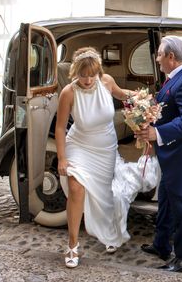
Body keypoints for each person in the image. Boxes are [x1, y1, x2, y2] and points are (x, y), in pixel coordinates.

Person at [134, 36, 182, 273]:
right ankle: (161, 245)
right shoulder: (175, 79)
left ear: (170, 57)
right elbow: (163, 109)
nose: (156, 59)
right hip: (172, 153)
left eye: (158, 54)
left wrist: (157, 134)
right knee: (166, 200)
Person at [55, 47, 133, 268]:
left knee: (105, 195)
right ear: (75, 72)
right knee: (76, 188)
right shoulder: (68, 93)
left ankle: (109, 234)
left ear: (99, 72)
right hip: (79, 145)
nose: (88, 80)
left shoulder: (106, 82)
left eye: (92, 75)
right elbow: (60, 128)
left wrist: (141, 97)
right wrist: (62, 158)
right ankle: (72, 244)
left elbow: (121, 94)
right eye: (83, 75)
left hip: (105, 148)